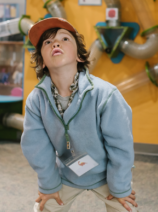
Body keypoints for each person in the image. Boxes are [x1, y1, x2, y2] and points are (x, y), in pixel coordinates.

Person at [21, 17, 138, 212]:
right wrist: (48, 185)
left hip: (107, 174)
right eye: (47, 42)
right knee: (43, 207)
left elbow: (121, 146)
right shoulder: (36, 100)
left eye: (65, 39)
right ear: (41, 61)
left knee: (127, 208)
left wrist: (120, 187)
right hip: (66, 173)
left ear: (80, 57)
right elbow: (37, 147)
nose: (55, 43)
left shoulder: (106, 94)